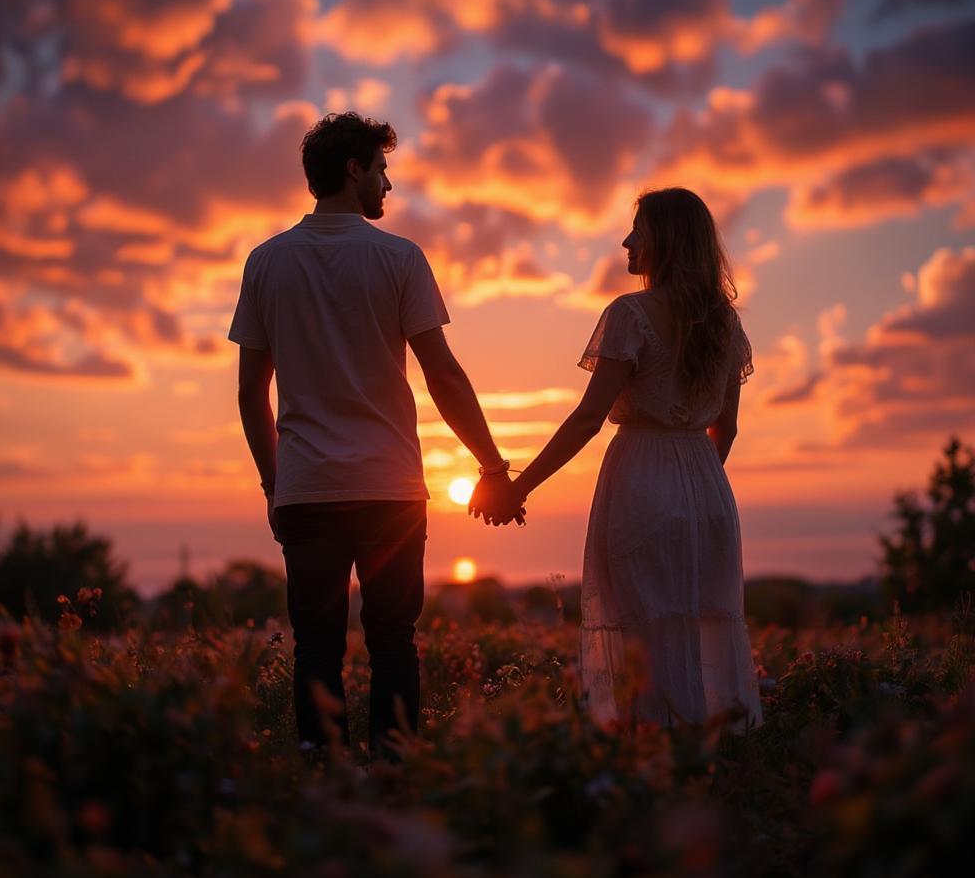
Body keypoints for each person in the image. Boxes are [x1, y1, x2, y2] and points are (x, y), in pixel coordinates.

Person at [229, 111, 521, 759]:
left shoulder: (266, 262)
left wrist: (276, 484)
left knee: (316, 646)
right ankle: (394, 776)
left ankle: (322, 780)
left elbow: (252, 392)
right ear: (354, 168)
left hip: (306, 491)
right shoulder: (399, 259)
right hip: (390, 490)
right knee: (393, 642)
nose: (388, 185)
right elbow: (442, 372)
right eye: (383, 170)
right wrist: (492, 465)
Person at [470, 187, 763, 730]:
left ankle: (652, 761)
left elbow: (587, 418)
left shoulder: (630, 314)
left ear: (667, 240)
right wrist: (691, 491)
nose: (628, 241)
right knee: (700, 626)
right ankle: (706, 764)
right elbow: (730, 426)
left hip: (641, 481)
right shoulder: (726, 323)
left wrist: (518, 486)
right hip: (706, 487)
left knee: (643, 633)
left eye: (639, 230)